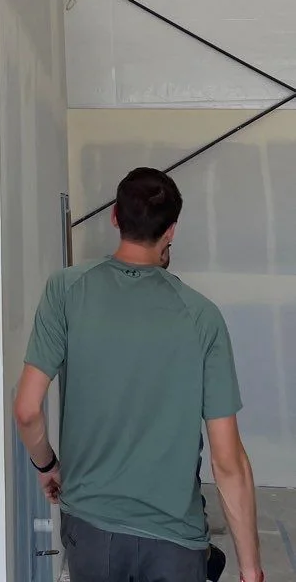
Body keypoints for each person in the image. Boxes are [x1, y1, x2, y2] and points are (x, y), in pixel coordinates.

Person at [14, 167, 262, 582]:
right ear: (172, 230)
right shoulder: (202, 317)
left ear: (115, 216)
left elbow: (26, 410)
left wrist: (47, 466)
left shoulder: (66, 290)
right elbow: (228, 461)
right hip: (173, 541)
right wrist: (251, 569)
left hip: (90, 529)